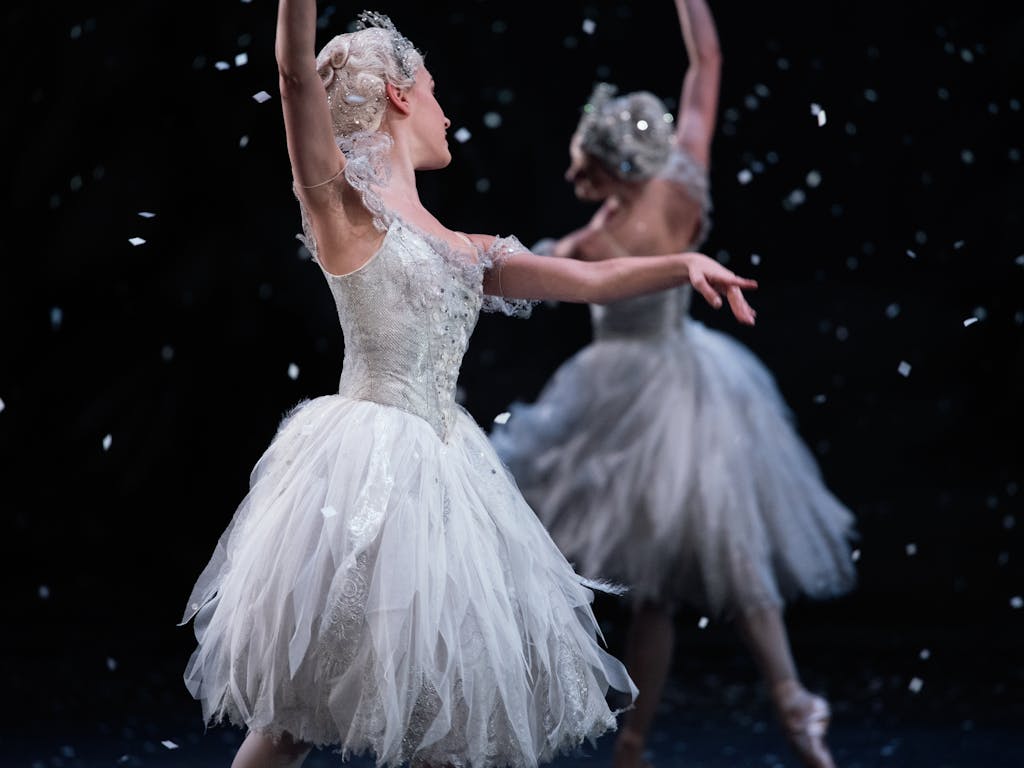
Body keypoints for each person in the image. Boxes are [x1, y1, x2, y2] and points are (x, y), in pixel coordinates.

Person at [179, 4, 758, 768]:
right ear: (398, 95)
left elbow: (590, 279)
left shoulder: (466, 249)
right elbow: (294, 76)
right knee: (293, 715)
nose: (448, 113)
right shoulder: (346, 214)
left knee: (441, 712)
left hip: (447, 483)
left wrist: (681, 264)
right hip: (360, 474)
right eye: (437, 93)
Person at [490, 2, 856, 767]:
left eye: (582, 167)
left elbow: (537, 281)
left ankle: (628, 729)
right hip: (690, 379)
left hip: (629, 403)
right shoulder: (683, 184)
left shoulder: (592, 242)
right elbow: (707, 63)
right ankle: (736, 716)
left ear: (614, 170)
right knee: (693, 569)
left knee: (663, 577)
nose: (570, 176)